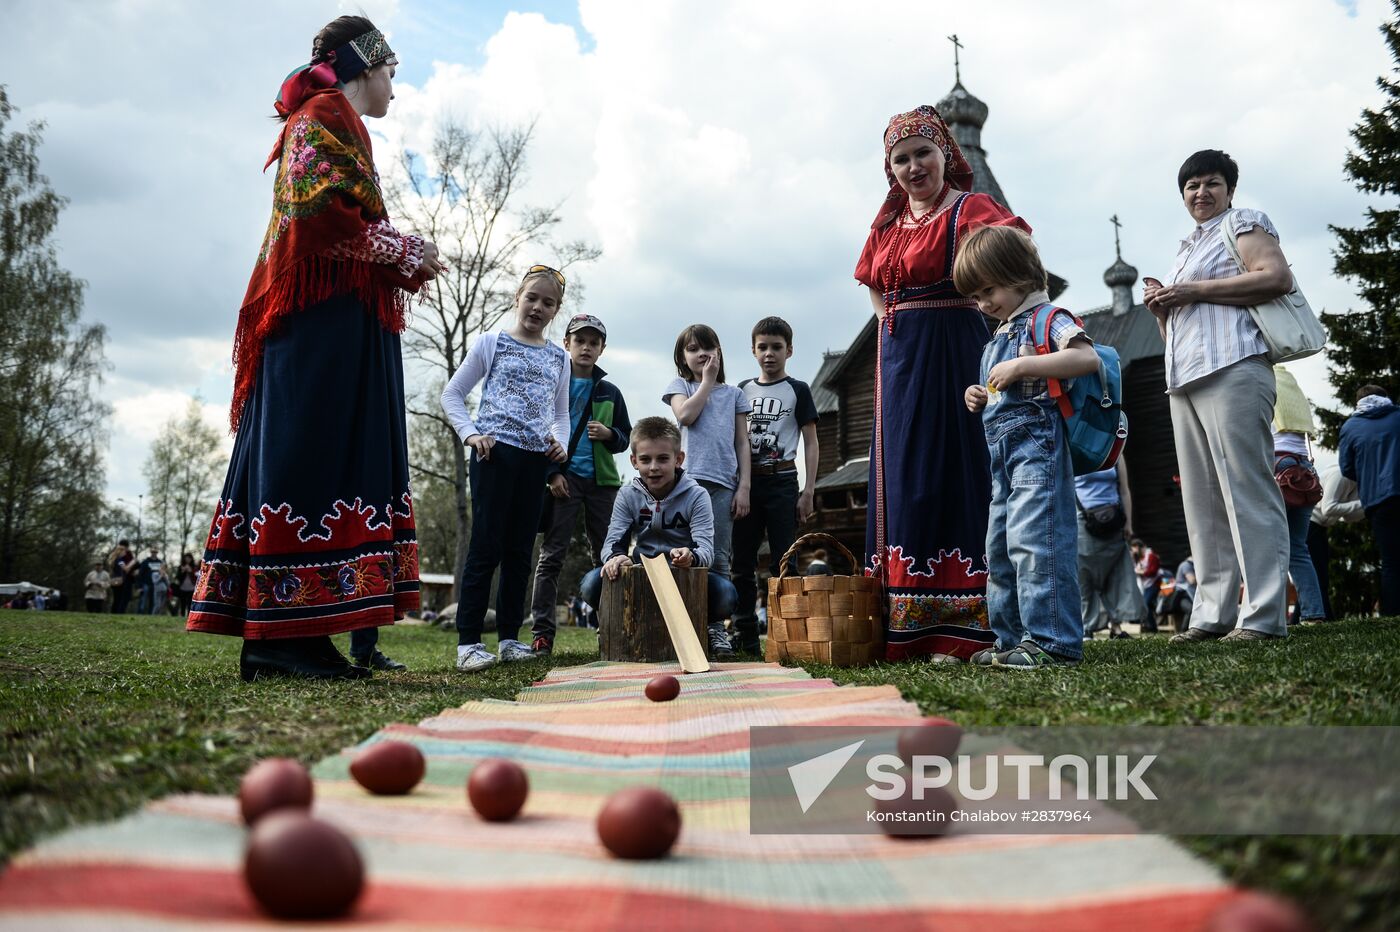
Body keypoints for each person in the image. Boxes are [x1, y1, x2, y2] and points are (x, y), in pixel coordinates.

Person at [187, 16, 434, 680]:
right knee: (310, 456)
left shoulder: (332, 120)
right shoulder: (320, 115)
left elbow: (335, 221)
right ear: (363, 66)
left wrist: (396, 253)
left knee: (331, 459)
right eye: (390, 72)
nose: (394, 88)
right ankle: (278, 636)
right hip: (315, 327)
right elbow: (320, 222)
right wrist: (406, 250)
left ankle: (300, 635)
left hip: (336, 321)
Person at [854, 105, 1032, 662]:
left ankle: (973, 622)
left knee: (959, 469)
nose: (913, 168)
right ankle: (908, 623)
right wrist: (893, 323)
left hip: (958, 347)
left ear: (944, 155)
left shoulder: (971, 209)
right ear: (891, 168)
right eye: (901, 159)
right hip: (900, 363)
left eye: (922, 154)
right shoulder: (886, 225)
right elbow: (873, 284)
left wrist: (982, 313)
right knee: (906, 474)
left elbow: (1016, 255)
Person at [1144, 150, 1293, 643]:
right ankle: (1212, 612)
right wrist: (1163, 306)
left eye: (1211, 184)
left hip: (1235, 366)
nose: (1201, 193)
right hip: (1184, 378)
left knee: (1245, 489)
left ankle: (1265, 613)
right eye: (1191, 186)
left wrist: (1190, 291)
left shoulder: (1245, 223)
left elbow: (1275, 277)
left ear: (1229, 189)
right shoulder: (1186, 248)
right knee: (1202, 500)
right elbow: (1186, 322)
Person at [959, 225, 1100, 669]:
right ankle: (1010, 640)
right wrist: (979, 395)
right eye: (976, 296)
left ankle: (1052, 641)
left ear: (1019, 274)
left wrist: (1022, 365)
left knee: (1036, 542)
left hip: (1037, 448)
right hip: (1002, 459)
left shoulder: (1049, 319)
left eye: (989, 290)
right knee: (1000, 547)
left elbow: (1085, 359)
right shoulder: (998, 334)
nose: (983, 303)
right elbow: (999, 391)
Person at [442, 265, 571, 672]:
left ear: (556, 311)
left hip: (535, 462)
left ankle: (512, 639)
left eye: (548, 303)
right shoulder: (490, 343)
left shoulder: (559, 358)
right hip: (494, 456)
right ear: (518, 298)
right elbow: (453, 394)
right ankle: (468, 644)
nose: (537, 307)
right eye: (532, 297)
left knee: (519, 552)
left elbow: (562, 413)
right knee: (486, 547)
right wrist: (470, 434)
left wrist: (560, 443)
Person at [581, 417, 738, 659]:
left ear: (679, 459)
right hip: (641, 574)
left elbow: (706, 550)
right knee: (591, 583)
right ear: (634, 461)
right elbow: (612, 542)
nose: (653, 467)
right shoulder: (627, 495)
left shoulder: (697, 496)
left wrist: (691, 556)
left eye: (663, 459)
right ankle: (612, 625)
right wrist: (616, 557)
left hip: (682, 575)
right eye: (645, 459)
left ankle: (708, 628)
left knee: (726, 594)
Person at [527, 314, 631, 656]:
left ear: (601, 349)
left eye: (593, 342)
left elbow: (625, 439)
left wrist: (609, 434)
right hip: (565, 480)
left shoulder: (610, 391)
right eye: (580, 341)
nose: (586, 347)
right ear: (567, 344)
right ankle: (542, 635)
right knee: (552, 556)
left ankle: (612, 631)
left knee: (610, 556)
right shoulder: (553, 382)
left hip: (603, 484)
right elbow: (539, 429)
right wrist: (551, 473)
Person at [731, 316, 820, 656]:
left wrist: (808, 490)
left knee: (785, 561)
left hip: (783, 481)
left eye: (777, 347)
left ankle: (787, 633)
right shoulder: (742, 390)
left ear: (790, 350)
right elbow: (735, 438)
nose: (769, 354)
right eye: (763, 347)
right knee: (741, 561)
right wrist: (739, 484)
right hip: (747, 483)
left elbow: (811, 441)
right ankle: (745, 634)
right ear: (753, 351)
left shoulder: (798, 390)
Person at [663, 324, 751, 656]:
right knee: (681, 555)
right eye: (693, 348)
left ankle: (716, 630)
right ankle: (681, 629)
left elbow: (742, 442)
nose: (702, 353)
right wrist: (706, 383)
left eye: (708, 347)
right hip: (686, 486)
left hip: (723, 487)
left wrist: (744, 486)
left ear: (718, 351)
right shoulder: (680, 386)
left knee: (718, 559)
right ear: (682, 357)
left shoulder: (734, 395)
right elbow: (685, 415)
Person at [1339, 385, 1400, 616]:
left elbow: (1347, 468)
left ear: (1358, 402)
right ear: (1386, 397)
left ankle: (1393, 615)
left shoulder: (1350, 427)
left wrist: (1369, 475)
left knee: (1391, 561)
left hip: (1378, 499)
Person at [1272, 365, 1326, 624]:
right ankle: (1314, 613)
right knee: (1298, 549)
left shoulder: (1261, 380)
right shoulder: (1292, 388)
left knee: (1269, 548)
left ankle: (1271, 618)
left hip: (1278, 467)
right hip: (1304, 469)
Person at [1073, 458, 1144, 640]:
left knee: (1115, 575)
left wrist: (1128, 523)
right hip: (1082, 520)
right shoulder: (1075, 450)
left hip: (1113, 519)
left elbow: (1124, 490)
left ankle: (1117, 626)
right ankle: (1087, 626)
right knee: (1084, 576)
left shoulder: (1116, 453)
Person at [1308, 465, 1365, 621]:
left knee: (1318, 575)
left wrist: (1367, 507)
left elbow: (1348, 517)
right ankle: (1325, 618)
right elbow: (1329, 508)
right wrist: (1364, 504)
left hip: (1320, 527)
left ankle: (1306, 617)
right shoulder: (1340, 475)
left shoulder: (1357, 482)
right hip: (1310, 523)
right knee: (1319, 577)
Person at [1130, 538, 1161, 618]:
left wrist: (1140, 572)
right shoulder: (1139, 558)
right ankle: (1150, 626)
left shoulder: (1151, 556)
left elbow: (1152, 572)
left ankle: (1151, 627)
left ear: (1137, 547)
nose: (1133, 552)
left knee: (1145, 604)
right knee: (1148, 605)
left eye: (1133, 549)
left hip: (1153, 584)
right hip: (1145, 585)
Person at [109, 541, 136, 615]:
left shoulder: (116, 559)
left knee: (117, 598)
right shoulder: (120, 560)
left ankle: (114, 613)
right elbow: (126, 569)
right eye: (124, 551)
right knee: (119, 599)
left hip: (115, 581)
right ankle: (116, 613)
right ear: (120, 551)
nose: (125, 552)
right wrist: (132, 562)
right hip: (119, 582)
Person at [136, 547, 163, 615]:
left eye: (155, 552)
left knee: (153, 601)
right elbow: (140, 574)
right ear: (151, 552)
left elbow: (162, 573)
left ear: (157, 552)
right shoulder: (145, 562)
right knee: (143, 600)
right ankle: (139, 614)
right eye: (153, 552)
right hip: (146, 584)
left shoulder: (160, 562)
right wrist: (139, 586)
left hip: (156, 585)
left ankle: (151, 614)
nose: (154, 553)